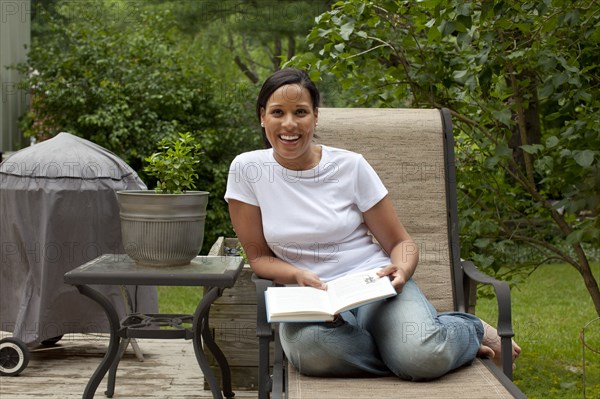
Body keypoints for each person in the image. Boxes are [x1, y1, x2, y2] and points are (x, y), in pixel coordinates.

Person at [225, 67, 520, 380]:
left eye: (300, 112)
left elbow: (400, 244)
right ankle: (413, 348)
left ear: (315, 117)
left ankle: (463, 330)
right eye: (277, 112)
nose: (289, 124)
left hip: (371, 286)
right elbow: (258, 258)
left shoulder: (350, 165)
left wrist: (402, 271)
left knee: (421, 357)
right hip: (310, 300)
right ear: (262, 117)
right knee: (314, 352)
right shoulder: (247, 170)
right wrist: (297, 274)